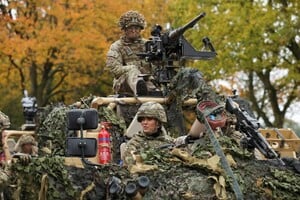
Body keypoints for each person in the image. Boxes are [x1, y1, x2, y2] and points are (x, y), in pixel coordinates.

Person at [106, 10, 156, 96]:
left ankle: (147, 89)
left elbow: (158, 66)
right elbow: (115, 70)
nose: (133, 31)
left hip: (149, 82)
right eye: (130, 28)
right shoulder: (117, 47)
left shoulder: (149, 45)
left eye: (136, 28)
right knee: (132, 70)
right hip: (124, 85)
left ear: (140, 30)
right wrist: (133, 68)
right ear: (124, 29)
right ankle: (139, 88)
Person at [122, 102, 174, 167]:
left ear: (158, 123)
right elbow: (131, 166)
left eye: (149, 119)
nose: (145, 123)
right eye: (142, 119)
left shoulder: (170, 142)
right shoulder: (134, 143)